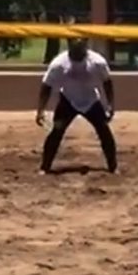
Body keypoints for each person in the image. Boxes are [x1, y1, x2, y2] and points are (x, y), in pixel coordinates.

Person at [35, 39, 117, 174]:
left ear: (86, 44)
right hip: (68, 100)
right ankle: (45, 166)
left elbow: (107, 83)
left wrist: (110, 105)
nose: (78, 49)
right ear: (68, 45)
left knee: (104, 131)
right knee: (56, 131)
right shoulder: (58, 64)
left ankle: (113, 167)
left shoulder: (97, 62)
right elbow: (46, 87)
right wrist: (40, 110)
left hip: (91, 101)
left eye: (82, 44)